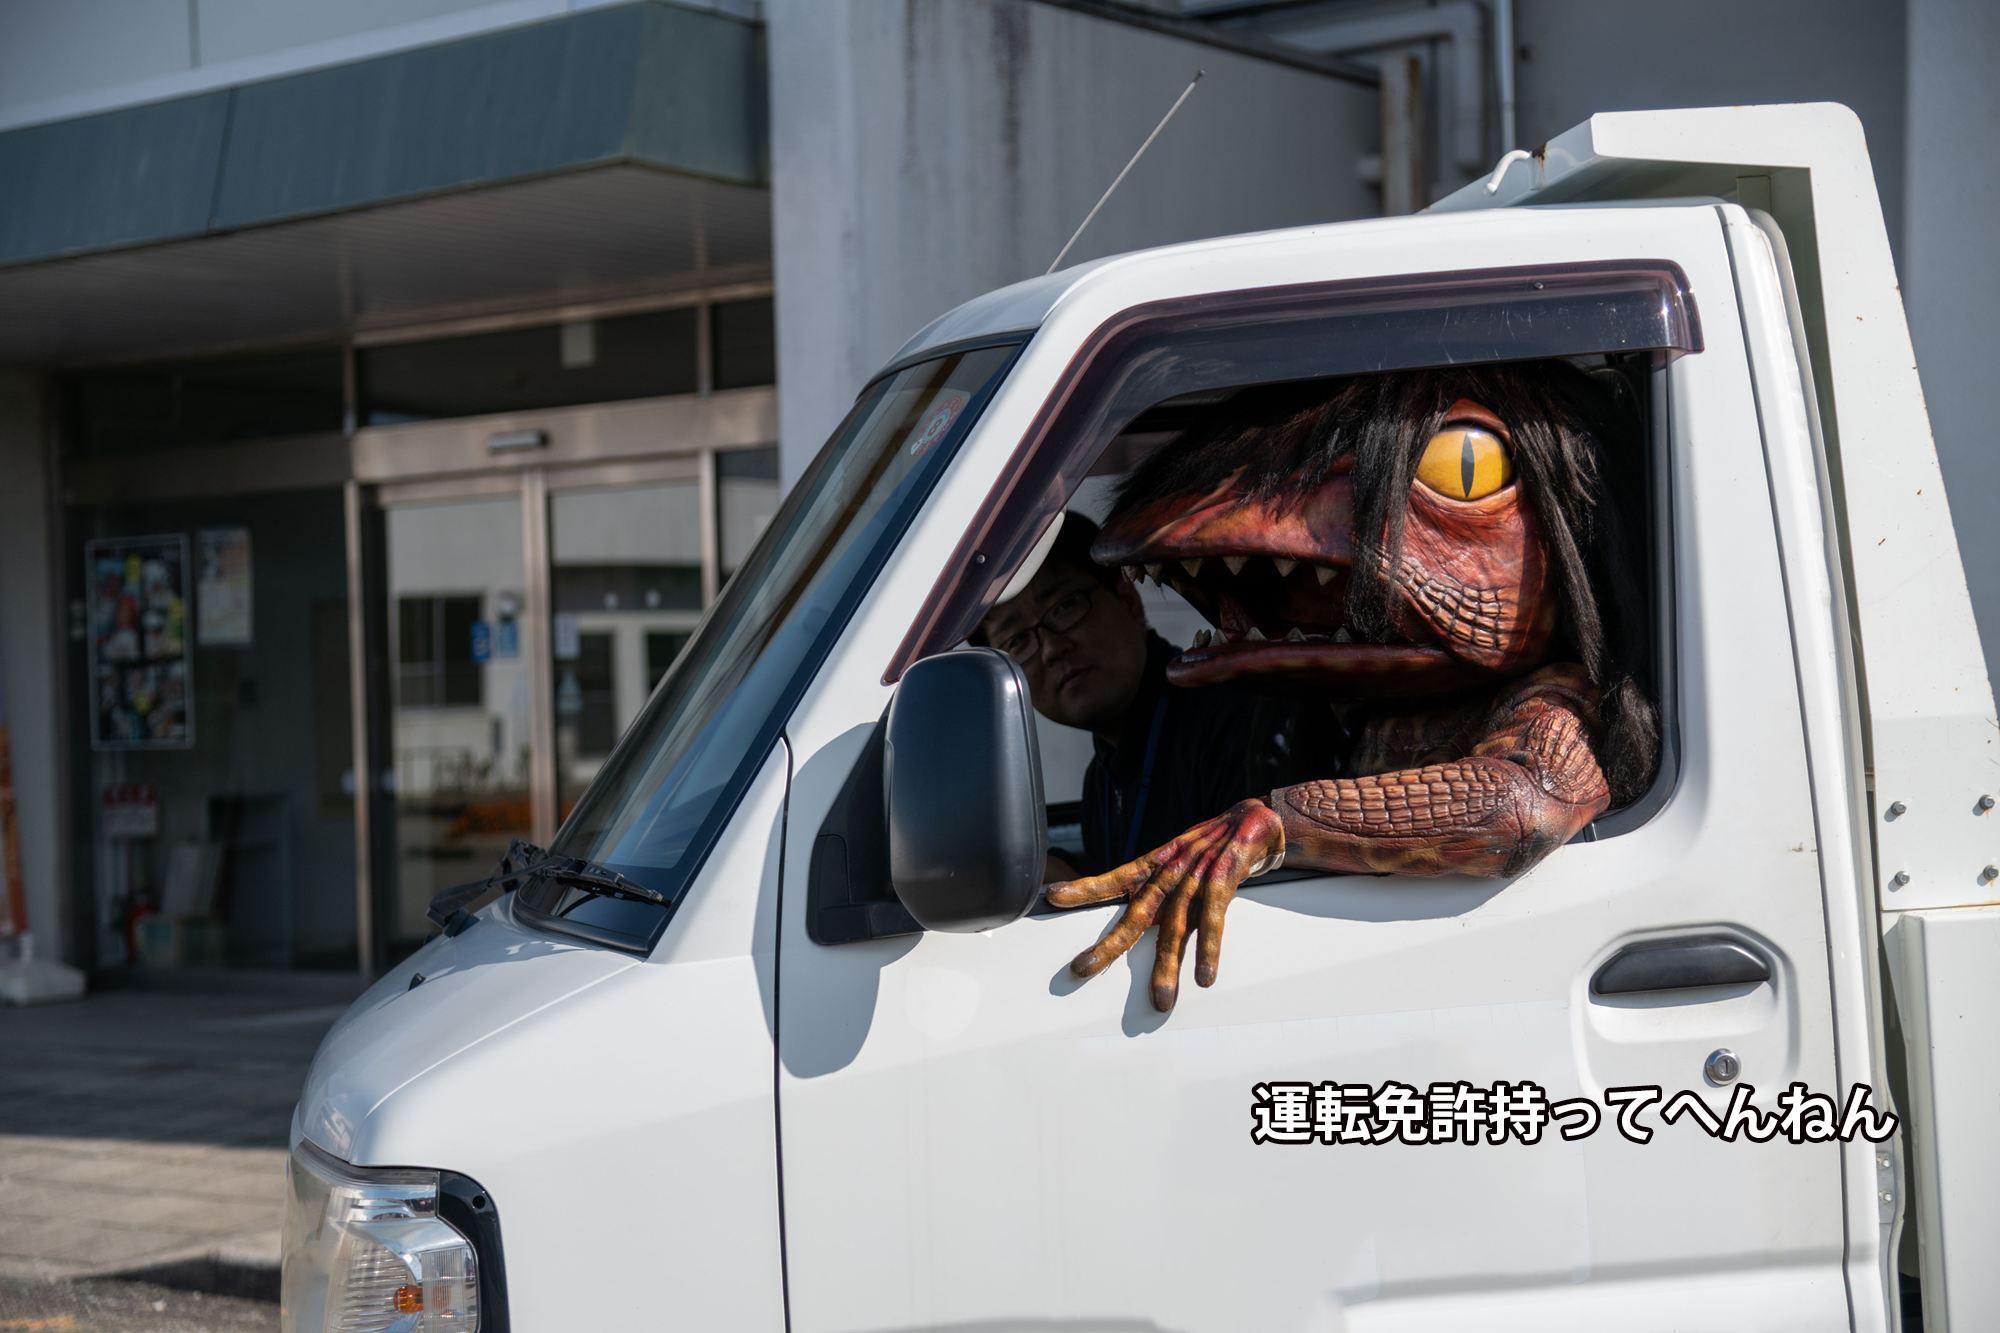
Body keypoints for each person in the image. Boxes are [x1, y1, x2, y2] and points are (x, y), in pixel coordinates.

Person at [974, 513, 1332, 881]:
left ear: (1128, 599)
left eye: (1065, 607)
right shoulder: (1100, 780)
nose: (1050, 648)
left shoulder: (1235, 716)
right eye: (1017, 641)